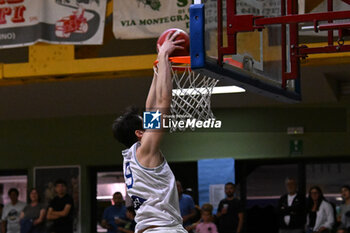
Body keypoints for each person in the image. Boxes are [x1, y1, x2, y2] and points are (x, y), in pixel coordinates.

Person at [112, 30, 187, 233]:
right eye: (144, 124)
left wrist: (158, 66)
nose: (149, 122)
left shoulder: (132, 155)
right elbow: (162, 103)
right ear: (139, 133)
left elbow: (151, 106)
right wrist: (163, 56)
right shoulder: (145, 150)